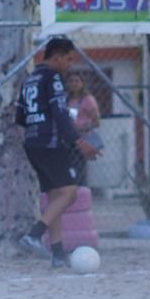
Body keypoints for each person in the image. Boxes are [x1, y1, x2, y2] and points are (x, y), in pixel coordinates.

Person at [16, 37, 98, 267]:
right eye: (69, 59)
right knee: (69, 193)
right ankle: (34, 235)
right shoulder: (53, 78)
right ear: (57, 57)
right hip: (50, 142)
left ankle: (58, 254)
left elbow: (20, 117)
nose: (70, 65)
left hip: (32, 142)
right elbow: (60, 114)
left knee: (55, 197)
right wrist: (79, 142)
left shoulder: (30, 79)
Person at [64, 71, 102, 188]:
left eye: (77, 81)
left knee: (79, 168)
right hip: (68, 140)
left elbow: (96, 122)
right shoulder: (66, 100)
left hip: (82, 140)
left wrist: (82, 128)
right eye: (71, 81)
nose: (74, 84)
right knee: (68, 168)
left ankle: (81, 191)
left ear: (82, 83)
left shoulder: (87, 100)